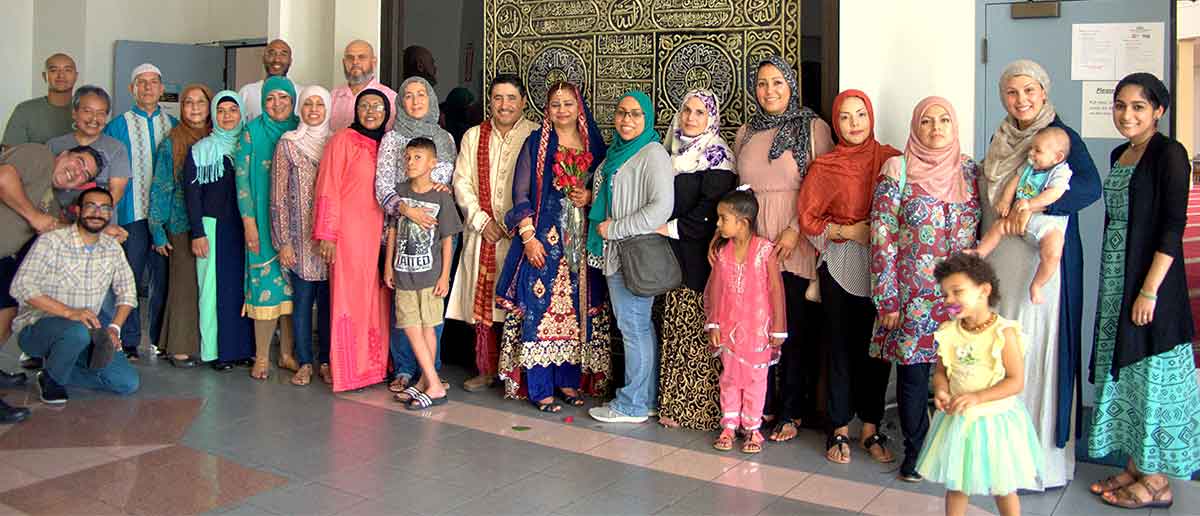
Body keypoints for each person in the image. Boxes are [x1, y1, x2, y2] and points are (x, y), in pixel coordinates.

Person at [979, 59, 1101, 489]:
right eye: (1013, 92)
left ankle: (1036, 467)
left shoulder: (1060, 137)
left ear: (1044, 94)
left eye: (1030, 91)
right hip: (1004, 261)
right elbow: (991, 190)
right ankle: (998, 459)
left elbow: (1089, 187)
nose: (1022, 100)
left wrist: (1034, 207)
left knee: (1035, 352)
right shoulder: (1002, 137)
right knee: (1004, 351)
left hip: (1041, 264)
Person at [1086, 73, 1200, 510]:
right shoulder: (1121, 153)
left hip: (1153, 282)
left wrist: (1149, 291)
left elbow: (1174, 226)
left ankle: (1157, 482)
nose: (1127, 114)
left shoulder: (1170, 154)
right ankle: (1136, 464)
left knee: (1152, 374)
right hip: (1119, 279)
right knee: (1128, 376)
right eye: (1120, 105)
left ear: (1158, 111)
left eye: (1137, 106)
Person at [870, 96, 980, 483]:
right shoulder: (897, 169)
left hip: (961, 298)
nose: (936, 128)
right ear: (916, 127)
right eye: (927, 121)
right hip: (913, 297)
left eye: (944, 120)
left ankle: (955, 450)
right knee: (915, 376)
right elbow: (881, 234)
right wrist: (887, 295)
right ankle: (917, 452)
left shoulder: (969, 170)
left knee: (960, 373)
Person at [731, 55, 834, 443]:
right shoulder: (746, 131)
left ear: (791, 84)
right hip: (752, 244)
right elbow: (741, 193)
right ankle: (763, 404)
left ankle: (793, 410)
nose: (769, 90)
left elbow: (820, 187)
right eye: (761, 83)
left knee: (789, 331)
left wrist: (794, 231)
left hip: (794, 243)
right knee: (756, 329)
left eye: (777, 82)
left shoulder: (813, 127)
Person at [796, 89, 898, 464]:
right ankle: (838, 427)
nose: (854, 124)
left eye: (860, 115)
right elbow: (808, 218)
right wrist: (847, 232)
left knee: (877, 348)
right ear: (835, 123)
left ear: (871, 117)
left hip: (883, 266)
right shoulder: (825, 166)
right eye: (845, 117)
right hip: (840, 262)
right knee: (839, 347)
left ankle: (871, 427)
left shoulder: (890, 160)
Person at [495, 81, 609, 411]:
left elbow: (605, 188)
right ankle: (540, 387)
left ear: (579, 107)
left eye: (568, 104)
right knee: (539, 307)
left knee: (574, 310)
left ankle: (569, 382)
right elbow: (521, 193)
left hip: (580, 241)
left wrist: (589, 197)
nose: (561, 110)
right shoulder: (538, 143)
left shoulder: (594, 145)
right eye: (555, 104)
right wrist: (528, 237)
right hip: (544, 241)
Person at [917, 253, 1043, 516]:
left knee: (1004, 486)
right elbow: (941, 373)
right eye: (945, 294)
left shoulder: (1004, 333)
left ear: (984, 290)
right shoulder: (949, 331)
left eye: (957, 291)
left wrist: (978, 397)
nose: (949, 300)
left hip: (995, 421)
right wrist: (941, 390)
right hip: (959, 421)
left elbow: (1015, 381)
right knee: (957, 485)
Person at [446, 74, 539, 393]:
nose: (504, 105)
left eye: (511, 98)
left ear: (524, 102)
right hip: (482, 232)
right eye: (498, 98)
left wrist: (520, 225)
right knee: (483, 303)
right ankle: (485, 369)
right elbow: (461, 182)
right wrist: (482, 221)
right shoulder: (474, 136)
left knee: (517, 304)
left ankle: (514, 373)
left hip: (521, 237)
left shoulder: (535, 135)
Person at [587, 91, 674, 424]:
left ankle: (632, 404)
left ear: (647, 119)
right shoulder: (617, 152)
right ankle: (645, 398)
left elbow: (660, 209)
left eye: (636, 114)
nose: (627, 120)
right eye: (622, 113)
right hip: (618, 252)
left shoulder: (652, 154)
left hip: (633, 253)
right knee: (637, 326)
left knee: (633, 326)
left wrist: (617, 228)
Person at [0, 143, 102, 421]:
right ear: (64, 154)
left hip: (6, 261)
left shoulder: (54, 200)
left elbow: (56, 227)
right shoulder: (39, 156)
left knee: (6, 315)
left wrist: (101, 231)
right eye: (79, 162)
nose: (77, 173)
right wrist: (34, 216)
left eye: (85, 174)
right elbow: (4, 176)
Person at [653, 89, 736, 430]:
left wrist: (669, 228)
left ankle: (702, 410)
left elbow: (709, 212)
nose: (690, 118)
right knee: (674, 328)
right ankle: (673, 403)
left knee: (698, 333)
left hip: (699, 259)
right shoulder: (669, 153)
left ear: (711, 118)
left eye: (699, 113)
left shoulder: (717, 156)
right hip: (671, 256)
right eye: (686, 110)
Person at [12, 186, 140, 404]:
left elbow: (128, 292)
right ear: (78, 210)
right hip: (38, 327)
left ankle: (56, 369)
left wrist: (114, 328)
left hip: (89, 328)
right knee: (79, 330)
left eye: (104, 208)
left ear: (110, 214)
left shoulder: (112, 248)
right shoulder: (52, 241)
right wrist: (69, 312)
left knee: (126, 383)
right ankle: (53, 380)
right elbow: (21, 286)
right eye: (91, 206)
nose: (97, 213)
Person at [376, 76, 457, 395]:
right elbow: (382, 185)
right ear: (400, 103)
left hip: (438, 236)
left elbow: (448, 179)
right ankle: (405, 368)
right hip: (402, 231)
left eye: (421, 94)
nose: (415, 100)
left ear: (431, 98)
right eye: (407, 96)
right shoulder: (393, 138)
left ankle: (429, 371)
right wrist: (406, 209)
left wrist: (445, 189)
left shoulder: (446, 137)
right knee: (404, 305)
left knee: (431, 306)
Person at [313, 89, 392, 392]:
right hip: (349, 235)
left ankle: (373, 366)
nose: (371, 111)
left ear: (387, 111)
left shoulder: (386, 144)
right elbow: (327, 187)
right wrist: (327, 235)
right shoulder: (343, 140)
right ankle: (348, 370)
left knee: (376, 300)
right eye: (364, 106)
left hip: (380, 236)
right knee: (349, 300)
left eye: (378, 106)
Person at [103, 63, 178, 359]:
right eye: (141, 83)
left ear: (162, 88)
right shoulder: (117, 125)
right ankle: (130, 340)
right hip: (130, 216)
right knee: (129, 278)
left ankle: (160, 339)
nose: (148, 87)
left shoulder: (173, 125)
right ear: (131, 89)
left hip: (164, 218)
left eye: (154, 82)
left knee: (163, 279)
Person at [383, 137, 462, 409]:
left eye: (417, 157)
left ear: (433, 163)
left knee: (426, 328)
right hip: (403, 273)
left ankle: (432, 384)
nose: (410, 162)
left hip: (431, 275)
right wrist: (387, 265)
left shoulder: (441, 196)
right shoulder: (399, 191)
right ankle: (429, 381)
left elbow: (447, 239)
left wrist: (445, 276)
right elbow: (392, 230)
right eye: (407, 157)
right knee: (410, 326)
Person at [706, 187, 786, 453]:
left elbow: (776, 290)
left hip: (758, 331)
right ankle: (729, 425)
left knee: (755, 379)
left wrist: (778, 329)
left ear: (743, 223)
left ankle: (752, 429)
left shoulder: (765, 250)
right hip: (730, 329)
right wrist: (714, 323)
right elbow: (716, 290)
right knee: (729, 377)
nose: (718, 224)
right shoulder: (723, 253)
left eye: (723, 219)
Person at [182, 91, 255, 370]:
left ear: (241, 115)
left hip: (245, 228)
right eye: (221, 110)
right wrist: (198, 232)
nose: (227, 116)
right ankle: (215, 352)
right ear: (214, 114)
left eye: (232, 110)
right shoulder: (202, 150)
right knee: (212, 291)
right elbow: (192, 196)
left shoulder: (248, 147)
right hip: (213, 228)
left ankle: (242, 348)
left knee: (244, 288)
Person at [235, 76, 298, 380]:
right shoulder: (252, 132)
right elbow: (242, 181)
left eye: (283, 98)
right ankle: (262, 357)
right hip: (261, 222)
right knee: (264, 289)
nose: (277, 104)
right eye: (270, 98)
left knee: (292, 293)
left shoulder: (301, 129)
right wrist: (249, 223)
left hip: (297, 228)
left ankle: (287, 353)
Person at [272, 85, 333, 386]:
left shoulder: (336, 142)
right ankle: (305, 361)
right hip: (298, 239)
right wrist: (282, 241)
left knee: (328, 304)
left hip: (330, 240)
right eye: (307, 104)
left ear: (328, 109)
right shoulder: (288, 143)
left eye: (319, 105)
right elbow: (278, 196)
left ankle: (326, 361)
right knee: (302, 303)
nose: (313, 110)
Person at [148, 84, 212, 367]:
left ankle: (207, 344)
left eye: (201, 102)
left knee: (209, 287)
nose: (195, 108)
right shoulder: (172, 141)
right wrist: (157, 229)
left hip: (215, 224)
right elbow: (162, 188)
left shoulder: (219, 136)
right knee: (184, 287)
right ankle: (179, 347)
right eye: (188, 103)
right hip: (181, 222)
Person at [974, 127, 1071, 304]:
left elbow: (1055, 193)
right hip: (1019, 217)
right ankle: (980, 252)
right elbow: (1013, 183)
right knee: (998, 227)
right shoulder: (1028, 167)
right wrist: (1004, 201)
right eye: (1031, 148)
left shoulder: (1060, 171)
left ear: (1057, 157)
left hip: (1045, 222)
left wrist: (1030, 205)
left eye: (1038, 150)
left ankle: (1037, 284)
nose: (1031, 153)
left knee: (1053, 252)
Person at [46, 86, 131, 215]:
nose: (94, 118)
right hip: (54, 221)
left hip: (97, 222)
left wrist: (91, 218)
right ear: (74, 113)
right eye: (87, 111)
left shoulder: (117, 148)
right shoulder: (54, 145)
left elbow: (116, 192)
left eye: (101, 113)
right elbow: (42, 185)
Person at [3, 53, 77, 148]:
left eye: (68, 70)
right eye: (54, 70)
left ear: (76, 76)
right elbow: (9, 153)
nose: (61, 75)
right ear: (44, 76)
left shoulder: (86, 110)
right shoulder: (25, 110)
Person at [329, 40, 397, 131]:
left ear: (374, 62)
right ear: (344, 63)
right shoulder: (332, 97)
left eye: (362, 57)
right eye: (350, 57)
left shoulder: (391, 98)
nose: (355, 62)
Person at [237, 39, 305, 120]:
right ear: (263, 59)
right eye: (272, 54)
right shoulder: (247, 92)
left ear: (290, 61)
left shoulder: (303, 94)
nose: (277, 59)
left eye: (283, 54)